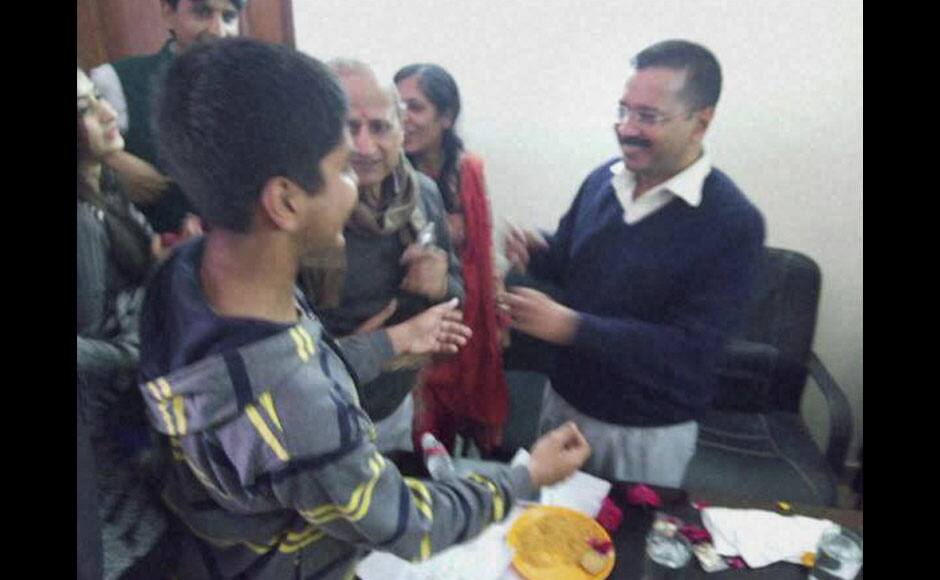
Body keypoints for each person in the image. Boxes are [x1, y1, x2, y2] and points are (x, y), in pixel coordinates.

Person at [140, 38, 591, 579]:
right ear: (285, 202)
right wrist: (526, 475)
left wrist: (391, 342)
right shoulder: (301, 408)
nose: (361, 170)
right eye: (342, 168)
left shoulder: (186, 270)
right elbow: (403, 522)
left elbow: (297, 362)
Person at [503, 39, 765, 487]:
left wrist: (572, 327)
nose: (626, 128)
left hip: (644, 433)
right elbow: (574, 265)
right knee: (541, 537)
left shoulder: (734, 223)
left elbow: (691, 351)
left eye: (647, 117)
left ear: (701, 121)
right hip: (563, 404)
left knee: (618, 547)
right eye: (623, 110)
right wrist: (540, 252)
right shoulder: (602, 181)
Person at [299, 59, 463, 455]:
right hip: (314, 417)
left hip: (392, 410)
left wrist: (441, 284)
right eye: (348, 127)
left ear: (400, 127)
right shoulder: (298, 210)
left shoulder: (422, 194)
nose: (364, 147)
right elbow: (280, 362)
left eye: (379, 127)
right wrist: (379, 344)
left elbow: (457, 299)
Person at [77, 66, 173, 579]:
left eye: (97, 99)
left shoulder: (103, 185)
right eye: (85, 110)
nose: (110, 114)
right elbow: (87, 347)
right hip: (108, 440)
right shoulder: (81, 221)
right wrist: (135, 347)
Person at [393, 63, 510, 456]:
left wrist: (496, 318)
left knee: (446, 433)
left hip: (459, 313)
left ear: (445, 117)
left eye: (415, 107)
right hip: (402, 317)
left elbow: (480, 252)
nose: (403, 119)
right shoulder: (383, 170)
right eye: (397, 107)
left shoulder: (466, 170)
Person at [91, 0, 244, 237]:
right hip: (150, 263)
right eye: (202, 12)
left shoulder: (255, 84)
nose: (218, 31)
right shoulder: (118, 80)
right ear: (168, 12)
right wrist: (110, 165)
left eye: (229, 16)